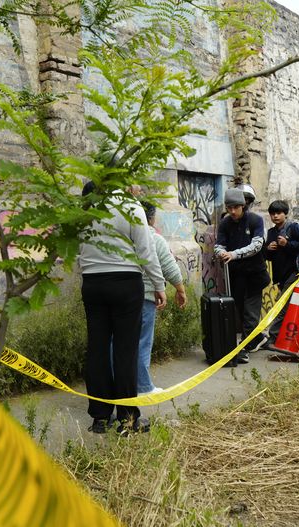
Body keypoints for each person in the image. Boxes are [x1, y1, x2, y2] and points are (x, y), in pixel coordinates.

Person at [79, 182, 166, 434]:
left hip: (92, 283)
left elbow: (79, 251)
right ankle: (127, 419)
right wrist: (159, 284)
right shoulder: (130, 206)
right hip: (125, 282)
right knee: (125, 351)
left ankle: (99, 418)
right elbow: (146, 251)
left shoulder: (85, 209)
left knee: (97, 349)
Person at [136, 202, 187, 395]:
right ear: (152, 218)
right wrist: (180, 290)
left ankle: (118, 386)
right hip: (146, 296)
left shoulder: (123, 237)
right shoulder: (153, 238)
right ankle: (142, 386)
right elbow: (168, 266)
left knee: (118, 342)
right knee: (142, 342)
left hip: (123, 295)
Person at [214, 188, 270, 361]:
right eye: (229, 207)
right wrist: (221, 253)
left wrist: (234, 254)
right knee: (241, 310)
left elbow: (257, 245)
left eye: (236, 207)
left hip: (255, 275)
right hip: (235, 276)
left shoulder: (255, 220)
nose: (232, 211)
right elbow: (219, 245)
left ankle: (244, 348)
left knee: (250, 313)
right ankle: (259, 338)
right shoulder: (225, 223)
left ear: (243, 206)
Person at [262, 200, 299, 348]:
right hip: (281, 276)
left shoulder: (294, 228)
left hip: (295, 272)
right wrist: (268, 249)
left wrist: (288, 244)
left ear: (285, 214)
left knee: (282, 304)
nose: (275, 216)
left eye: (278, 213)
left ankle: (273, 336)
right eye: (272, 214)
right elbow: (268, 256)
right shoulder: (271, 232)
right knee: (295, 302)